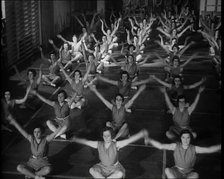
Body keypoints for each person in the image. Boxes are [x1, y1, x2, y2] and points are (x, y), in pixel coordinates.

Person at [71, 126, 149, 179]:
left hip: (114, 168)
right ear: (102, 136)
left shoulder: (116, 144)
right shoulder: (99, 144)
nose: (106, 138)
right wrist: (76, 139)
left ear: (111, 135)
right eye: (104, 136)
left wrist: (141, 134)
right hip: (102, 167)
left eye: (108, 135)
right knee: (91, 170)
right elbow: (87, 142)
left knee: (120, 174)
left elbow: (129, 140)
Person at [145, 129, 221, 179]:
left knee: (195, 175)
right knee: (167, 170)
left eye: (188, 138)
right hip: (177, 170)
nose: (185, 140)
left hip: (188, 172)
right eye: (183, 137)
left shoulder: (194, 148)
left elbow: (209, 149)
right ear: (180, 138)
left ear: (190, 139)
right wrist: (149, 140)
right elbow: (161, 146)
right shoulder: (175, 146)